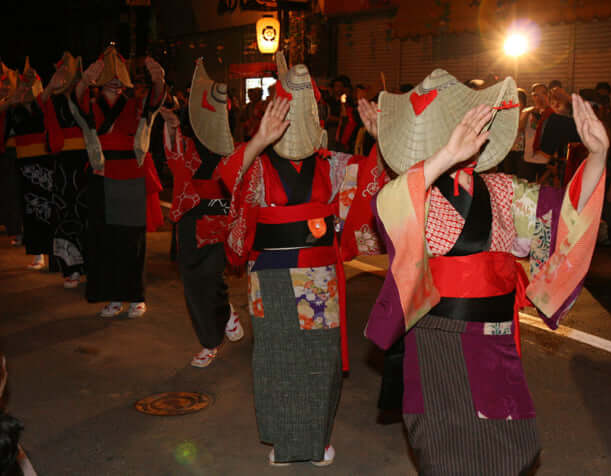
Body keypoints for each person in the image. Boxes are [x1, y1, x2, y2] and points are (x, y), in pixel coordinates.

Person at [364, 69, 607, 475]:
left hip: (494, 341)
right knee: (446, 455)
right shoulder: (414, 190)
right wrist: (444, 158)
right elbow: (387, 208)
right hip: (436, 341)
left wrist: (597, 157)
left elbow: (564, 215)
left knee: (509, 451)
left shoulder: (503, 189)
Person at [219, 52, 385, 466]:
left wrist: (382, 139)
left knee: (318, 358)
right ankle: (286, 439)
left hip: (319, 276)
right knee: (276, 357)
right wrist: (258, 140)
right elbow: (227, 179)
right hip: (270, 274)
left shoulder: (332, 165)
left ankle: (313, 439)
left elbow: (372, 181)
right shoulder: (257, 164)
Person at [159, 59, 245, 368]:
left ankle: (210, 341)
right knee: (195, 282)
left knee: (212, 277)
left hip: (221, 218)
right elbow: (173, 161)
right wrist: (171, 127)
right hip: (193, 217)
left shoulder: (232, 148)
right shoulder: (188, 141)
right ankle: (224, 314)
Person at [71, 45, 166, 318]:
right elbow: (76, 100)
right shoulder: (91, 103)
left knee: (131, 241)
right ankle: (113, 297)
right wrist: (84, 81)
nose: (113, 80)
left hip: (129, 176)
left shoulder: (135, 103)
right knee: (104, 241)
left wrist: (159, 80)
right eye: (107, 75)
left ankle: (135, 296)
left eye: (118, 75)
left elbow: (154, 102)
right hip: (102, 175)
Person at [37, 52, 91, 289]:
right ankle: (71, 268)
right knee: (65, 210)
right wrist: (52, 83)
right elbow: (41, 101)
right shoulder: (55, 98)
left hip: (85, 160)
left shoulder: (84, 95)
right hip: (62, 161)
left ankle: (88, 265)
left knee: (86, 210)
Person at [2, 58, 51, 270]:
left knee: (47, 207)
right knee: (30, 208)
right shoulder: (14, 109)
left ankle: (52, 254)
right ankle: (38, 252)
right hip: (22, 162)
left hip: (44, 161)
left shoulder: (45, 106)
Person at [0, 63, 23, 248]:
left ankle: (19, 229)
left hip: (21, 151)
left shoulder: (21, 102)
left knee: (18, 191)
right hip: (7, 152)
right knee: (10, 192)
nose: (6, 86)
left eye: (9, 82)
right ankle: (15, 228)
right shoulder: (6, 104)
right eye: (4, 83)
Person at [518, 82, 551, 181]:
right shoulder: (527, 112)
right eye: (536, 95)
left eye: (543, 94)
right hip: (529, 158)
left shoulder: (553, 113)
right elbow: (520, 128)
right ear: (532, 97)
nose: (540, 97)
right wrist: (528, 112)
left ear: (548, 95)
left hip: (547, 160)